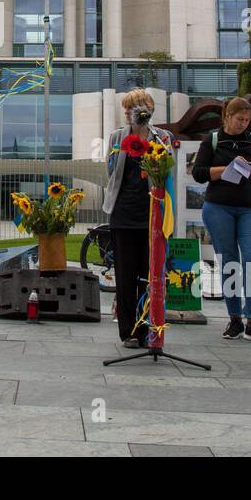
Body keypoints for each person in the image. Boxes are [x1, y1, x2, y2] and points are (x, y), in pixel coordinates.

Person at [191, 96, 251, 344]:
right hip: (219, 208)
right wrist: (227, 167)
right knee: (229, 262)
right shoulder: (213, 140)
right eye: (240, 119)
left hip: (250, 207)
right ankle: (235, 319)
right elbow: (198, 173)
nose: (243, 124)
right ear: (227, 116)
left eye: (247, 120)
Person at [102, 88, 167, 348]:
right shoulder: (117, 137)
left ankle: (148, 328)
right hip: (123, 213)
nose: (132, 112)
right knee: (126, 275)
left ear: (149, 110)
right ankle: (128, 330)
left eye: (137, 107)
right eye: (128, 108)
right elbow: (110, 171)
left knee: (149, 275)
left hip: (153, 215)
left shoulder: (161, 137)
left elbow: (167, 170)